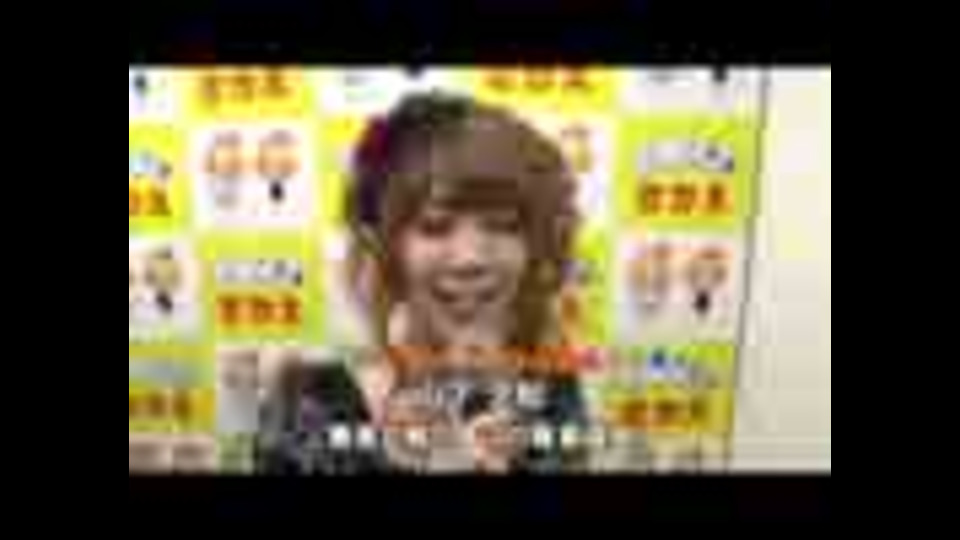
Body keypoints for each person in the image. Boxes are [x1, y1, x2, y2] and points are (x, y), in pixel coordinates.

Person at [255, 91, 589, 474]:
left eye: (503, 226)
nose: (471, 258)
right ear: (381, 245)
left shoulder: (548, 386)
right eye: (435, 227)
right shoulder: (307, 400)